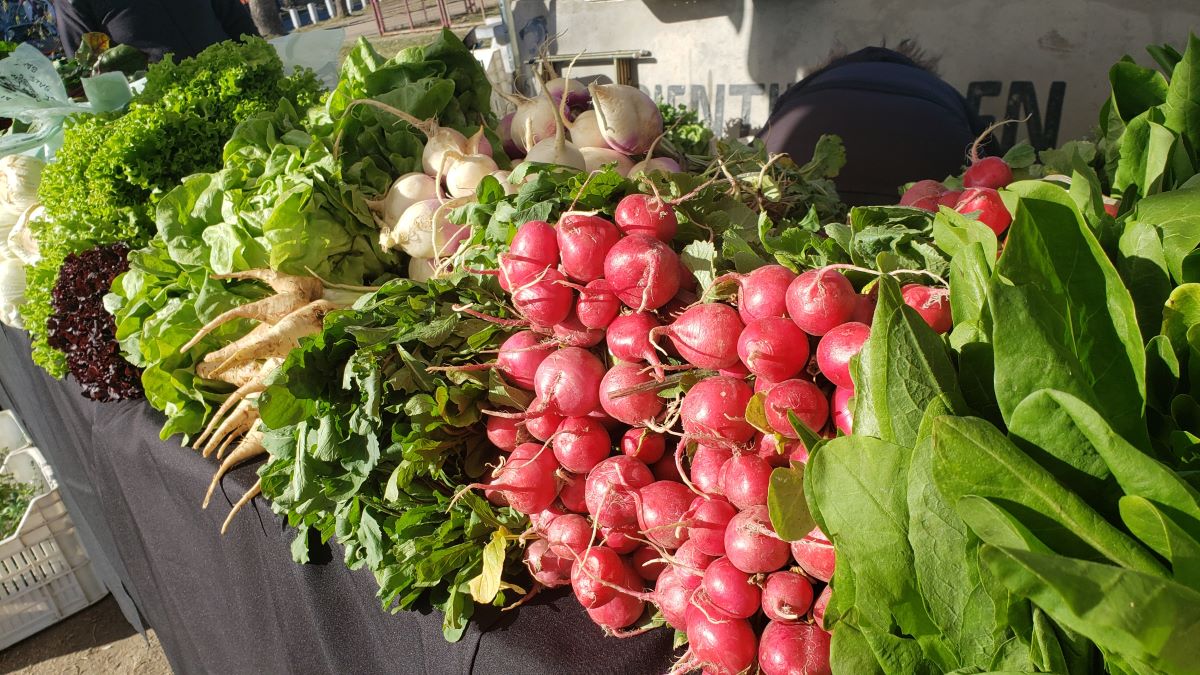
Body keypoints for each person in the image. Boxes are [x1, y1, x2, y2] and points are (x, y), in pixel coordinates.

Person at [759, 41, 989, 206]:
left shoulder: (807, 88)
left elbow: (746, 161)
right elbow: (996, 167)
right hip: (929, 199)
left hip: (790, 198)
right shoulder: (940, 90)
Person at [52, 0, 260, 62]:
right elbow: (86, 69)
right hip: (164, 118)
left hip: (237, 79)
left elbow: (235, 18)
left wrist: (261, 59)